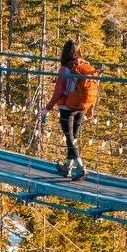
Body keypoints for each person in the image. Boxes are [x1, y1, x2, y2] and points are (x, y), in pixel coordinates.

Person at [43, 38, 99, 179]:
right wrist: (91, 108)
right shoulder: (86, 67)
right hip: (81, 107)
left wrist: (47, 108)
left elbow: (59, 91)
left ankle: (80, 168)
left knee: (69, 138)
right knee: (73, 138)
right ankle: (67, 167)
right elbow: (93, 89)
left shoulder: (65, 68)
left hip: (66, 107)